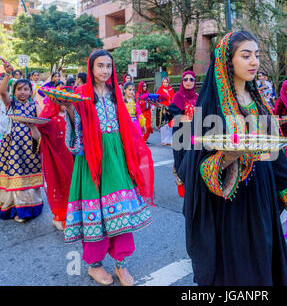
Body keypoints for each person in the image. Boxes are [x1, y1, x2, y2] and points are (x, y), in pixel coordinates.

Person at [177, 31, 287, 286]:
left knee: (264, 259)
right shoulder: (209, 107)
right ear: (227, 61)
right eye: (246, 55)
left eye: (257, 55)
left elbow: (277, 158)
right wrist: (229, 157)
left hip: (261, 197)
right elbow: (193, 166)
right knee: (237, 270)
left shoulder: (260, 103)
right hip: (230, 205)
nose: (254, 62)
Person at [58, 50, 155, 286]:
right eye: (100, 66)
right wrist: (70, 111)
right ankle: (95, 265)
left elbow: (124, 125)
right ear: (91, 68)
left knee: (120, 210)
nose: (105, 71)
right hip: (91, 159)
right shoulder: (81, 94)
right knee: (94, 213)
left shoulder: (115, 93)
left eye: (108, 66)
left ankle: (121, 265)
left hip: (117, 158)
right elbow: (75, 139)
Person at [0, 64, 43, 223]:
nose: (23, 92)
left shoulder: (35, 105)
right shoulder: (12, 104)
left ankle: (30, 207)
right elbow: (2, 91)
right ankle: (15, 208)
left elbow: (42, 121)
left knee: (28, 175)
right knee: (15, 175)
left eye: (26, 89)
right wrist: (7, 74)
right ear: (14, 91)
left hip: (31, 145)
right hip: (12, 147)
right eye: (19, 89)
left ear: (31, 92)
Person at [36, 90, 74, 231]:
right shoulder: (49, 119)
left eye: (68, 99)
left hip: (74, 158)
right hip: (57, 160)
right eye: (62, 99)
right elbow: (38, 130)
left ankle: (74, 214)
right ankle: (59, 216)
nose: (65, 102)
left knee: (73, 186)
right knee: (59, 185)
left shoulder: (73, 116)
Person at [163, 71, 198, 197]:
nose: (188, 82)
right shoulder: (178, 96)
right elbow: (171, 115)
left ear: (194, 82)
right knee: (181, 159)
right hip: (181, 133)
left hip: (195, 132)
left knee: (194, 158)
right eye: (186, 79)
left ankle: (193, 185)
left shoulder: (197, 98)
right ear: (182, 82)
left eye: (191, 79)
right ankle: (183, 186)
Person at [156, 77, 175, 146]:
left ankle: (169, 139)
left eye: (166, 82)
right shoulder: (160, 90)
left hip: (169, 108)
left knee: (170, 124)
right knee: (164, 125)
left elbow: (173, 99)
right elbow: (157, 99)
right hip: (162, 109)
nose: (165, 84)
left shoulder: (171, 90)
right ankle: (163, 140)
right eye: (164, 82)